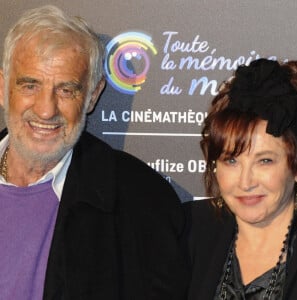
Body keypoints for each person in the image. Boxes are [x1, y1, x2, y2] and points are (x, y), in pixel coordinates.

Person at [0, 5, 189, 300]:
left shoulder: (142, 203)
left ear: (93, 95)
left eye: (66, 90)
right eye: (30, 85)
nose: (46, 109)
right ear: (2, 88)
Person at [184, 58, 297, 299]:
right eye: (231, 161)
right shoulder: (187, 231)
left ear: (296, 168)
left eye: (264, 160)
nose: (245, 182)